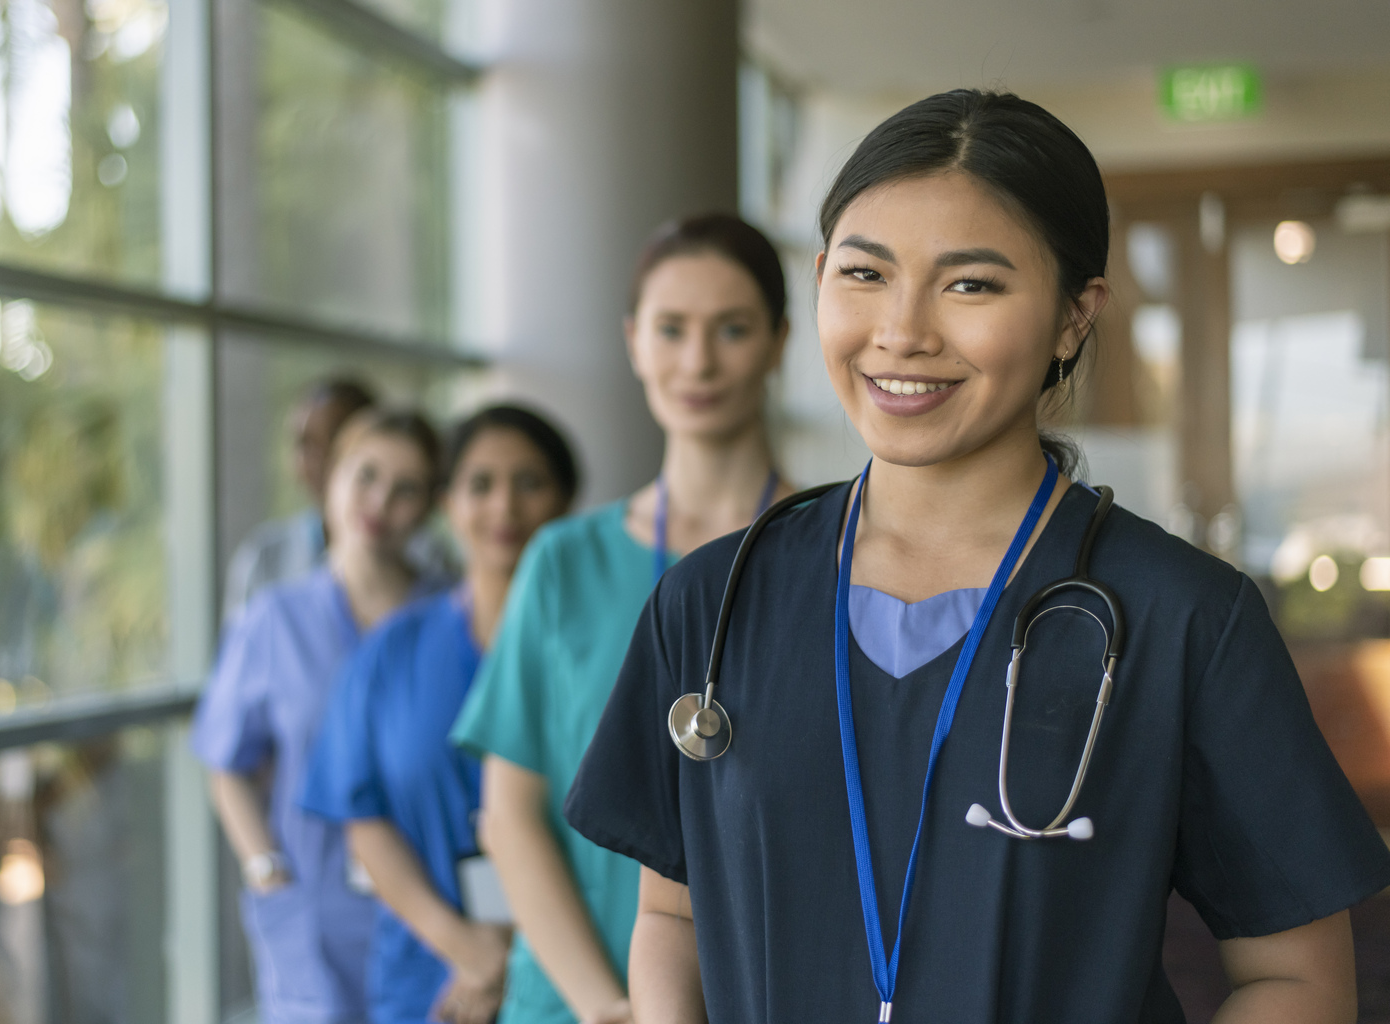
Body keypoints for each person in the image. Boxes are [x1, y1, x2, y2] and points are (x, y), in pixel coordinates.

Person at [562, 89, 1390, 1024]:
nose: (903, 331)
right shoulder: (715, 598)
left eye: (971, 285)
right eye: (866, 274)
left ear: (1076, 317)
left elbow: (1298, 979)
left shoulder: (1183, 616)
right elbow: (673, 911)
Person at [449, 214, 796, 1024]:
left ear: (780, 342)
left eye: (733, 329)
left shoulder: (835, 558)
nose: (697, 361)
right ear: (635, 341)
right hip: (572, 1000)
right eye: (671, 330)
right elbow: (511, 815)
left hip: (759, 994)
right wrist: (606, 1005)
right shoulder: (561, 563)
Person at [300, 405, 581, 1024]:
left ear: (566, 502)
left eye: (530, 483)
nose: (504, 507)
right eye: (480, 484)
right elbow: (363, 818)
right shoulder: (391, 652)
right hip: (428, 982)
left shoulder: (602, 654)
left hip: (575, 972)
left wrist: (515, 957)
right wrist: (468, 950)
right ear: (447, 502)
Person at [192, 408, 443, 1024]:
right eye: (366, 475)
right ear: (330, 479)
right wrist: (266, 870)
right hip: (311, 906)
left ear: (432, 505)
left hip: (433, 909)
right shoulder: (274, 619)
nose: (380, 501)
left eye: (407, 488)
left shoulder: (452, 616)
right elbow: (225, 763)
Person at [225, 377, 376, 621]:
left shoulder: (426, 560)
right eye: (304, 444)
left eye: (334, 441)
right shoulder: (266, 558)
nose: (316, 461)